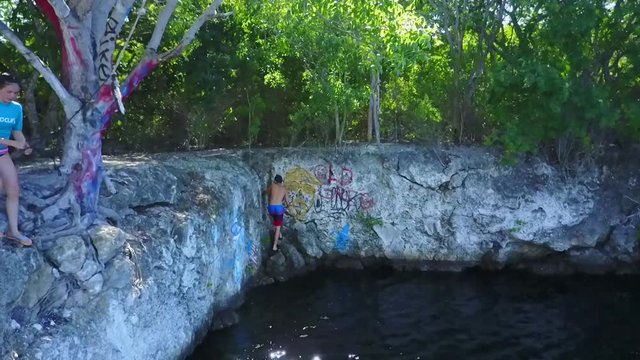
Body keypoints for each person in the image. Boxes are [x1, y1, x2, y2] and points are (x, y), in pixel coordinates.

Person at [0, 73, 31, 247]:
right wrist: (14, 143)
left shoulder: (16, 108)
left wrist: (24, 145)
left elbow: (17, 132)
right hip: (5, 148)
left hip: (2, 153)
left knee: (13, 189)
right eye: (8, 91)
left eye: (15, 93)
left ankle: (14, 231)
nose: (12, 96)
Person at [265, 174, 288, 251]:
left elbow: (267, 193)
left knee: (274, 222)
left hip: (271, 207)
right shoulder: (284, 189)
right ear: (281, 182)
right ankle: (274, 246)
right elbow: (287, 202)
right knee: (278, 227)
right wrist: (283, 201)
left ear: (275, 181)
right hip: (279, 208)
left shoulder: (272, 185)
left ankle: (280, 235)